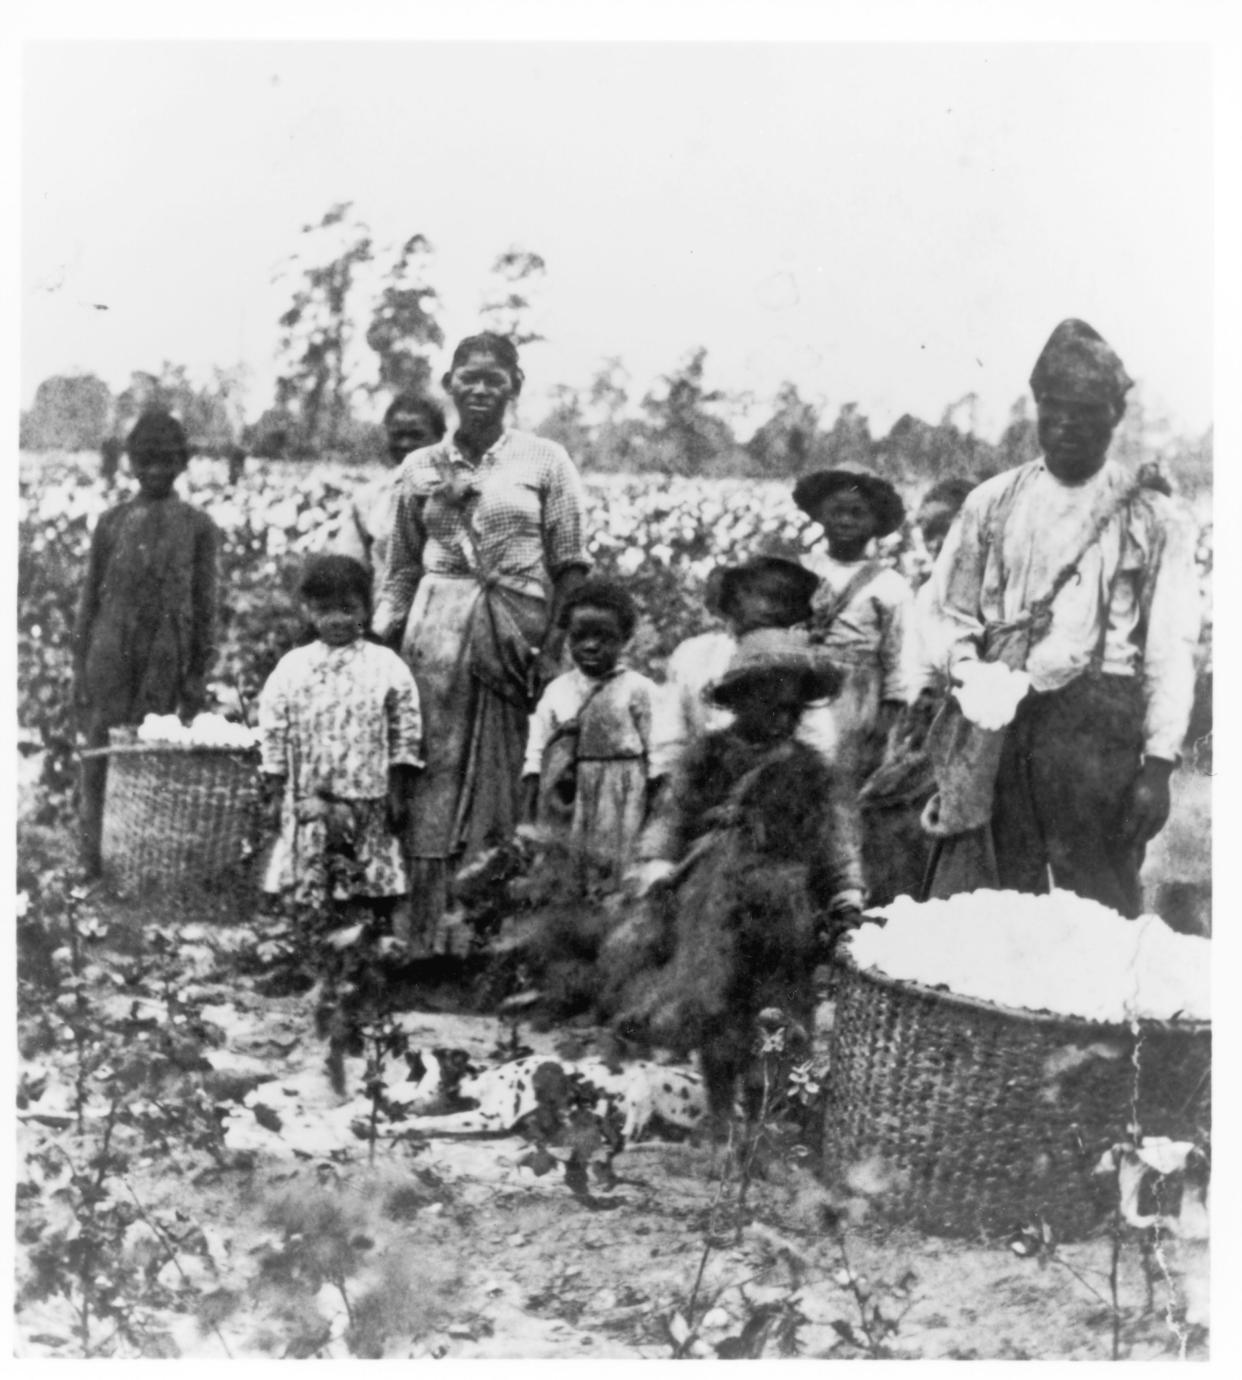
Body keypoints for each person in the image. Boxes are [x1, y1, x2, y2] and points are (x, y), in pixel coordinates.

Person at [920, 318, 1200, 917]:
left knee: (1099, 902)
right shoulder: (991, 502)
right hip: (1002, 721)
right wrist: (969, 670)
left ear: (1113, 417)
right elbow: (947, 608)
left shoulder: (1153, 518)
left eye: (1085, 409)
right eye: (1054, 408)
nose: (1067, 423)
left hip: (1098, 729)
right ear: (1037, 409)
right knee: (999, 896)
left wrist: (1157, 767)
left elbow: (1171, 649)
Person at [374, 333, 590, 943]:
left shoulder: (546, 461)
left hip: (515, 639)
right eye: (467, 376)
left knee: (506, 783)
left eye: (494, 377)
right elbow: (401, 573)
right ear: (448, 383)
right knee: (431, 784)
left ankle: (491, 940)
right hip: (434, 642)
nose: (479, 388)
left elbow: (571, 563)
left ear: (515, 386)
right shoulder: (419, 469)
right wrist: (377, 649)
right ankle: (425, 939)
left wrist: (552, 651)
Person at [608, 631, 864, 1135]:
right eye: (770, 697)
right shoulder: (706, 757)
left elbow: (837, 837)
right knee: (715, 1007)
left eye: (792, 701)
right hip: (712, 903)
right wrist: (657, 864)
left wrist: (846, 893)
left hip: (785, 908)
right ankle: (721, 1113)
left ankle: (765, 1112)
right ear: (742, 698)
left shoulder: (811, 771)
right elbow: (672, 813)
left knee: (781, 1009)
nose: (782, 711)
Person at [73, 410, 220, 878]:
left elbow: (206, 604)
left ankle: (139, 855)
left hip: (165, 651)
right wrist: (79, 667)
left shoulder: (198, 526)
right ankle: (93, 857)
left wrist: (197, 672)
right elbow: (88, 598)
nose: (156, 470)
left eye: (167, 461)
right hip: (110, 648)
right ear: (130, 463)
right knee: (103, 744)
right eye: (146, 460)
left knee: (150, 746)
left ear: (184, 462)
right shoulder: (111, 522)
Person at [257, 554, 422, 915]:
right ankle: (310, 943)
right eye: (324, 610)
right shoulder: (293, 666)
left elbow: (405, 727)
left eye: (348, 609)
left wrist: (398, 786)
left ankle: (363, 948)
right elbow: (273, 726)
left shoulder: (386, 665)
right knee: (310, 880)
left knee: (365, 885)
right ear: (309, 611)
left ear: (366, 608)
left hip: (367, 796)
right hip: (308, 793)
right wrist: (274, 783)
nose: (337, 620)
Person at [521, 578, 673, 887]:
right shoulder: (558, 691)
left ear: (625, 638)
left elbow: (660, 757)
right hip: (567, 798)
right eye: (580, 637)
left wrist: (655, 819)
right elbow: (536, 756)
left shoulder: (638, 690)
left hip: (624, 797)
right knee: (568, 876)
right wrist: (529, 817)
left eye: (604, 637)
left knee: (616, 874)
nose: (591, 645)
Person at [794, 469, 914, 787]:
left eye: (857, 513)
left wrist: (886, 723)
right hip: (802, 683)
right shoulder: (802, 569)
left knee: (845, 782)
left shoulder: (891, 586)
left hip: (857, 697)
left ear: (876, 523)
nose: (845, 521)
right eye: (837, 512)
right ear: (820, 515)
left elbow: (898, 660)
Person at [661, 545, 821, 763]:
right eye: (750, 594)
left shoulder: (800, 660)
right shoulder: (694, 654)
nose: (766, 607)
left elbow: (818, 735)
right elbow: (670, 734)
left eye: (779, 598)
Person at [334, 393, 447, 606]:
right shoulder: (368, 499)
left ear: (439, 438)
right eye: (397, 435)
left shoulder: (457, 493)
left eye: (416, 435)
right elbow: (349, 569)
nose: (405, 443)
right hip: (385, 615)